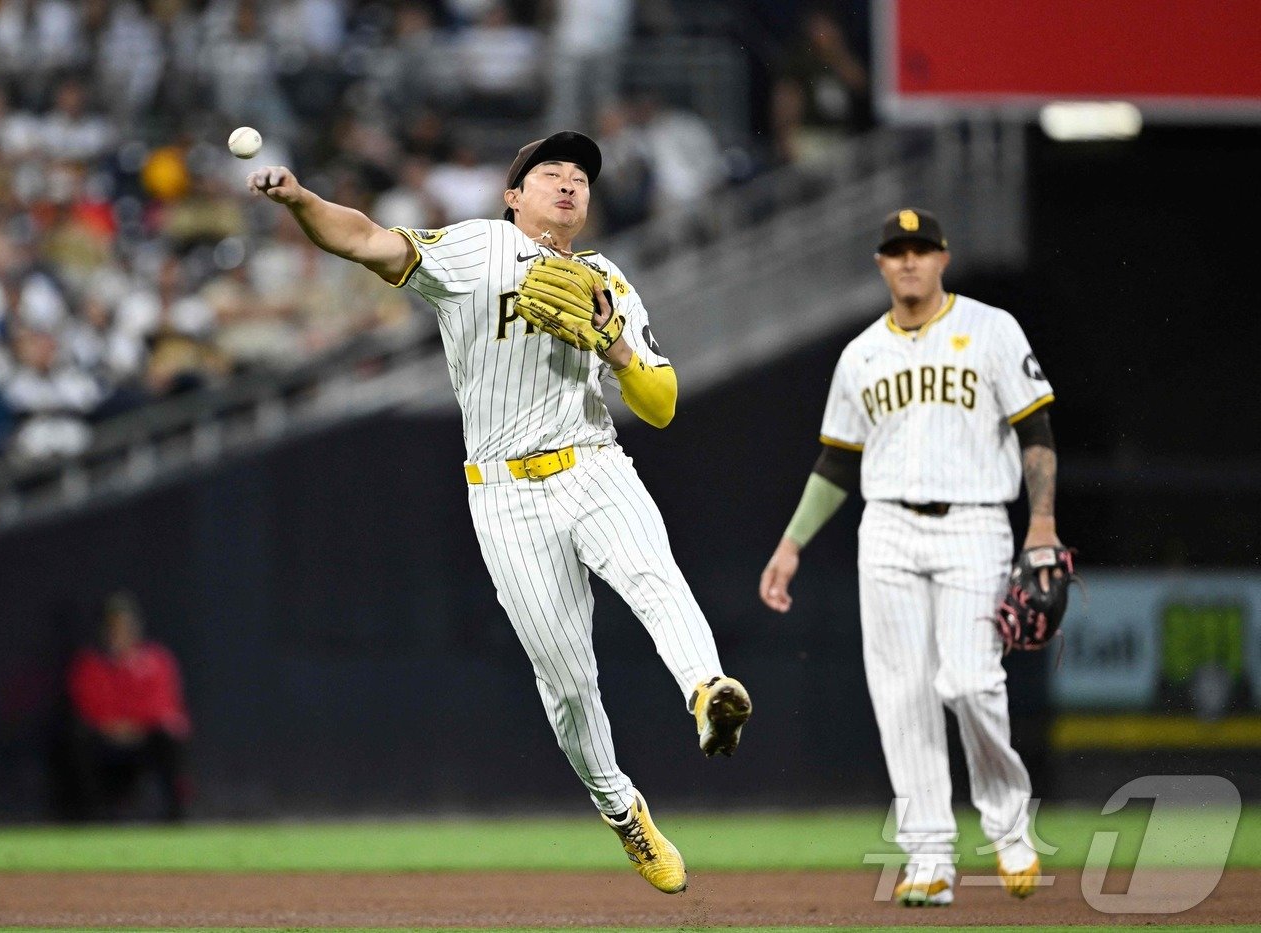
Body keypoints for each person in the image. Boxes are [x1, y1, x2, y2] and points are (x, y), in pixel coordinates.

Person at [246, 130, 751, 894]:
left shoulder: (608, 276)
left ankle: (708, 691)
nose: (570, 182)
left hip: (593, 461)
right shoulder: (475, 249)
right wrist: (303, 201)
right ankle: (623, 810)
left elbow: (664, 403)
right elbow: (370, 243)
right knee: (567, 679)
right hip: (505, 490)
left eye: (581, 174)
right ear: (513, 195)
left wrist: (613, 345)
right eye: (551, 171)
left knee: (655, 576)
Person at [758, 209, 1058, 906]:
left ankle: (1011, 830)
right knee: (902, 694)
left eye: (922, 249)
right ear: (881, 264)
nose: (910, 261)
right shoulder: (861, 353)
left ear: (944, 258)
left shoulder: (992, 329)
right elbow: (836, 461)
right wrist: (791, 544)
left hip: (976, 523)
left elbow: (1036, 430)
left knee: (970, 682)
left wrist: (1041, 521)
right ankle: (928, 855)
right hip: (887, 526)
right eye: (897, 251)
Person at [65, 592, 192, 821]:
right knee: (77, 735)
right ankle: (89, 816)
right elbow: (88, 706)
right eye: (113, 626)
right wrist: (113, 726)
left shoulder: (157, 660)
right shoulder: (90, 664)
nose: (120, 633)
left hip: (145, 740)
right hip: (106, 742)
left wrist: (134, 725)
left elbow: (163, 705)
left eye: (125, 626)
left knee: (172, 731)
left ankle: (175, 814)